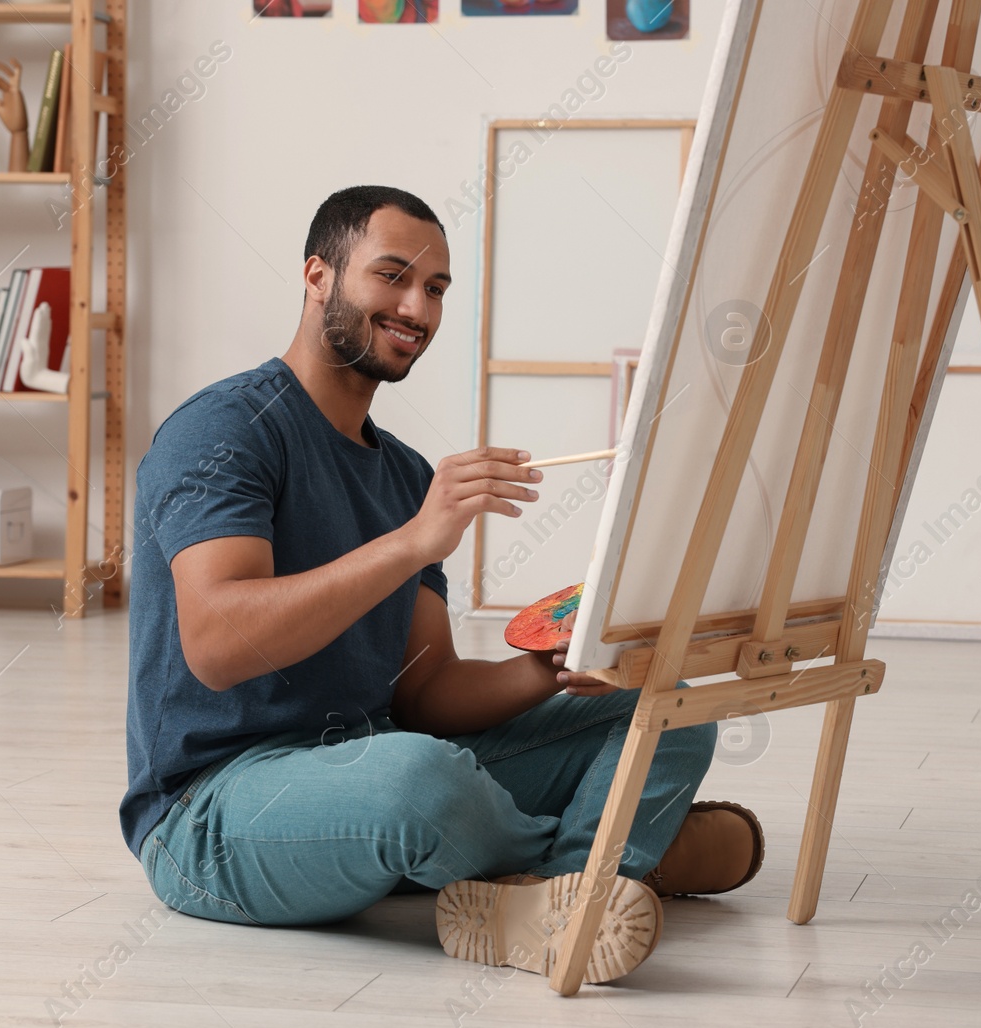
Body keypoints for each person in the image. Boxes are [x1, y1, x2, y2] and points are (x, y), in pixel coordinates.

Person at [120, 185, 764, 984]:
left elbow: (424, 693)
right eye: (391, 276)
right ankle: (620, 854)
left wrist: (545, 669)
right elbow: (217, 645)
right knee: (417, 777)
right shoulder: (221, 431)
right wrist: (413, 540)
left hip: (369, 759)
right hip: (209, 814)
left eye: (434, 290)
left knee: (667, 707)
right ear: (318, 276)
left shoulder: (405, 473)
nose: (415, 308)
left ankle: (560, 890)